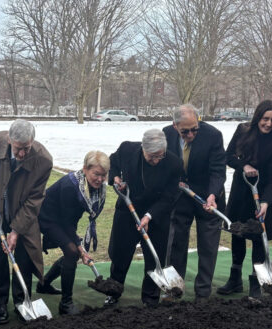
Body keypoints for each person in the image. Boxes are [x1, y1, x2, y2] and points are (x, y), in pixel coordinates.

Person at [0, 119, 53, 324]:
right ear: (9, 140)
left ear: (32, 142)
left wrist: (16, 229)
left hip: (25, 215)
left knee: (24, 258)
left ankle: (21, 301)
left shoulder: (43, 159)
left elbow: (35, 199)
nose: (21, 154)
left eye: (26, 149)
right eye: (18, 149)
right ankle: (0, 303)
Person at [217, 99, 272, 297]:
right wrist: (244, 166)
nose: (268, 123)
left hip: (265, 194)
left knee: (259, 237)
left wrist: (266, 202)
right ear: (258, 117)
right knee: (239, 233)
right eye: (265, 119)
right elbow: (228, 156)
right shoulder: (243, 131)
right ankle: (235, 279)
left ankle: (255, 283)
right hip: (242, 192)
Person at [104, 129, 182, 307]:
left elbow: (170, 196)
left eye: (159, 156)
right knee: (120, 254)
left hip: (156, 214)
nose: (155, 161)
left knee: (155, 257)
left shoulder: (174, 163)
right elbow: (113, 162)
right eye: (152, 156)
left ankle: (150, 297)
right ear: (143, 149)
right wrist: (115, 177)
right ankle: (113, 292)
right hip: (127, 209)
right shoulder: (127, 150)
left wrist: (149, 216)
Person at [163, 105, 226, 301]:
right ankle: (175, 289)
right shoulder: (165, 134)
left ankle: (203, 292)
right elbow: (164, 164)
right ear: (175, 126)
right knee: (176, 243)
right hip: (180, 197)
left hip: (208, 198)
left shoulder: (213, 135)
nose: (191, 134)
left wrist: (213, 194)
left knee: (208, 245)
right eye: (185, 131)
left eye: (194, 129)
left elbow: (218, 170)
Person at [38, 151, 109, 315]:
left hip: (63, 218)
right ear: (85, 169)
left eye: (103, 175)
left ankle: (44, 284)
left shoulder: (95, 188)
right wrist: (79, 246)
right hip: (46, 217)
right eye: (96, 174)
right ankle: (66, 303)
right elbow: (66, 222)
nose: (100, 179)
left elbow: (71, 218)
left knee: (73, 251)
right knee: (71, 252)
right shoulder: (71, 186)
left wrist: (78, 245)